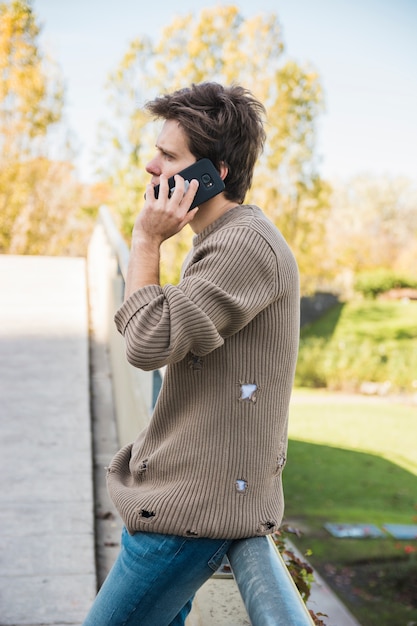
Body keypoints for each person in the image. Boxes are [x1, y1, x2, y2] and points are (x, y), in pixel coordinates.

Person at [83, 82, 300, 626]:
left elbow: (146, 342)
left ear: (215, 171)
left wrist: (144, 242)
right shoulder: (219, 239)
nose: (151, 166)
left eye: (169, 156)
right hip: (184, 498)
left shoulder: (243, 245)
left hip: (191, 512)